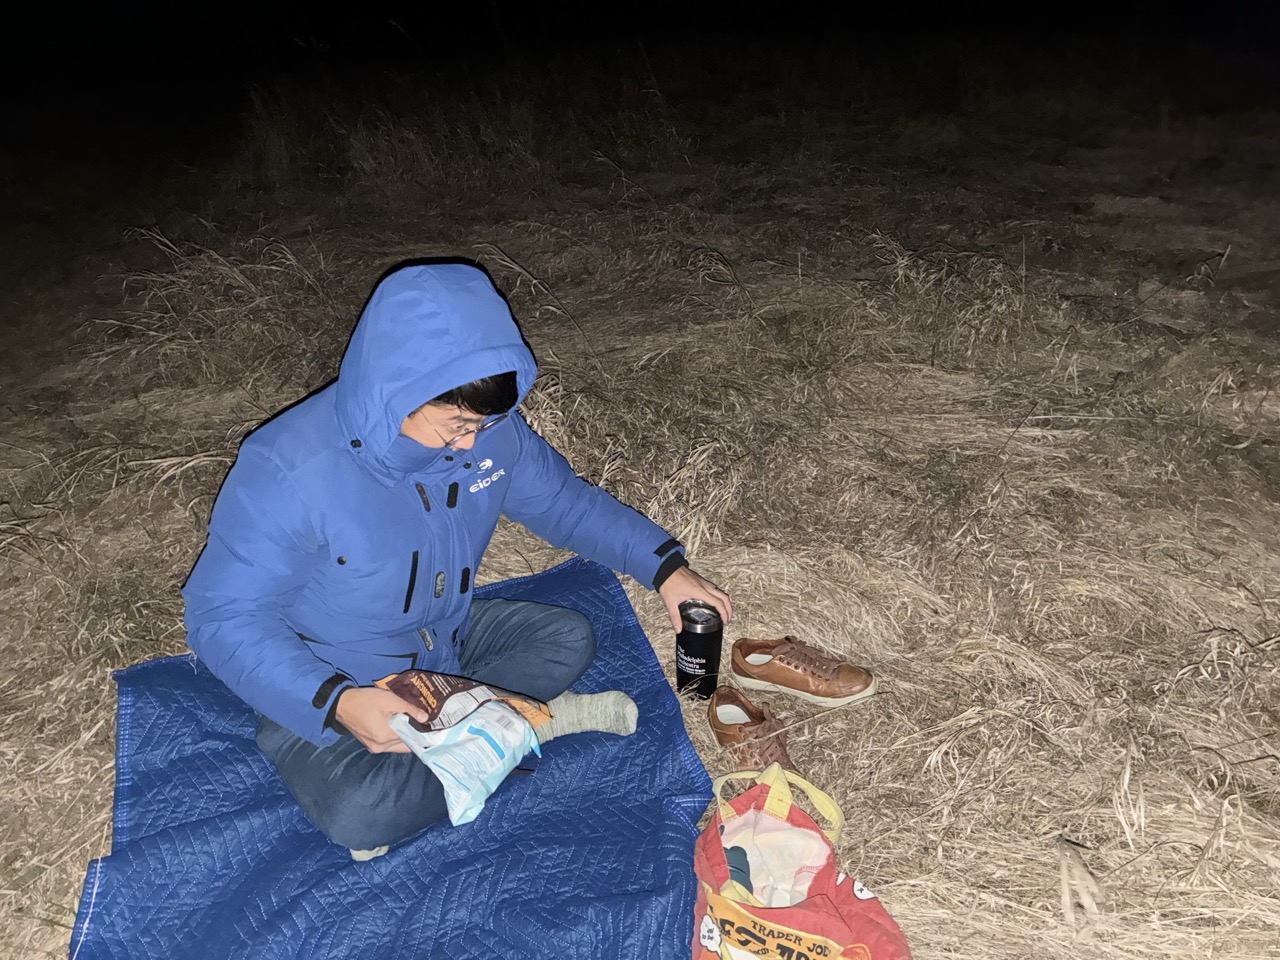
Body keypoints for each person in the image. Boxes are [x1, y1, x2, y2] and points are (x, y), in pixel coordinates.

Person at [182, 261, 730, 858]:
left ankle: (495, 728)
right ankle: (525, 724)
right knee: (358, 815)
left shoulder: (493, 435)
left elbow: (567, 506)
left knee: (568, 638)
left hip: (445, 646)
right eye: (457, 425)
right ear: (397, 392)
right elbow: (222, 617)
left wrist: (665, 568)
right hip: (335, 675)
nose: (472, 443)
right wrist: (338, 703)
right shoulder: (288, 469)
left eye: (485, 423)